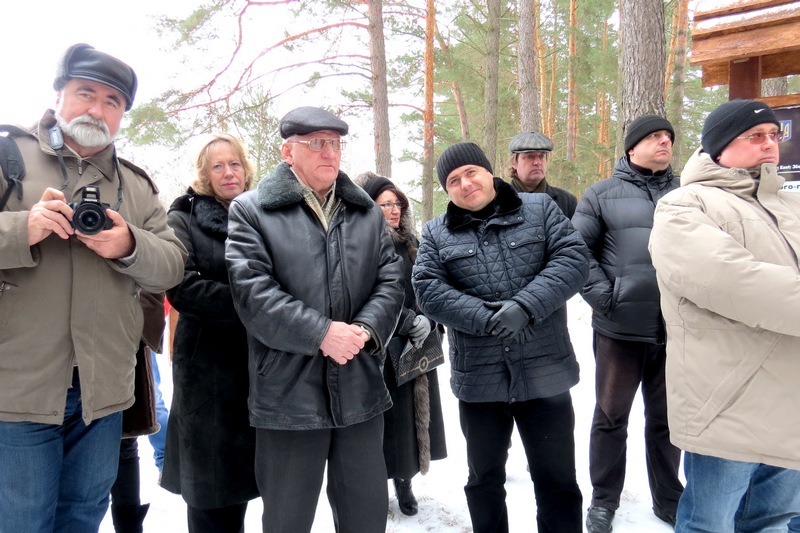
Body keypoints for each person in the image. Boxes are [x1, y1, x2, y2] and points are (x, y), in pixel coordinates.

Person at [0, 43, 186, 532]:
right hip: (18, 386)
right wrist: (24, 229)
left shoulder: (137, 186)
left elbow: (171, 267)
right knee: (22, 521)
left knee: (84, 515)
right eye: (86, 93)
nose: (97, 109)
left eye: (112, 102)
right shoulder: (7, 158)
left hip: (102, 390)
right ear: (59, 94)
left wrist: (128, 243)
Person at [225, 106, 405, 533]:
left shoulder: (366, 213)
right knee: (287, 520)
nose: (330, 153)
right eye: (316, 143)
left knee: (365, 517)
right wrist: (321, 333)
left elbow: (392, 281)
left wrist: (363, 330)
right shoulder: (252, 211)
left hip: (359, 385)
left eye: (336, 143)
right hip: (288, 395)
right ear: (288, 151)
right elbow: (253, 292)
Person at [413, 141, 589, 533]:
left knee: (558, 482)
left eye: (471, 172)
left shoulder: (541, 210)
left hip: (546, 376)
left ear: (489, 172)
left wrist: (526, 306)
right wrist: (485, 318)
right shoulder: (436, 233)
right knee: (484, 482)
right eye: (453, 180)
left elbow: (573, 260)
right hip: (480, 383)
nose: (465, 183)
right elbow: (426, 288)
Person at [649, 99, 800, 532]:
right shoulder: (684, 205)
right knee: (709, 524)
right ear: (718, 148)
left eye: (774, 135)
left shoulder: (789, 207)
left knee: (772, 520)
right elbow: (734, 282)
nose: (769, 144)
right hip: (729, 400)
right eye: (755, 136)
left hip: (790, 401)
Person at [571, 114, 683, 532]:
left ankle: (670, 498)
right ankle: (603, 500)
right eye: (654, 137)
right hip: (620, 331)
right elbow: (576, 252)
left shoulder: (687, 192)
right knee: (611, 416)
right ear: (631, 147)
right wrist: (607, 299)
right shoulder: (601, 195)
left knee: (668, 420)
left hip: (676, 331)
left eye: (668, 137)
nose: (664, 143)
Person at [160, 133, 260, 532]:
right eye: (217, 166)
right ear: (204, 173)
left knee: (239, 481)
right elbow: (180, 285)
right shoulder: (182, 217)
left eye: (234, 163)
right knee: (206, 484)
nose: (228, 172)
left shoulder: (261, 212)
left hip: (256, 362)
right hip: (207, 365)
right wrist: (257, 305)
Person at [358, 171, 448, 516]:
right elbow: (369, 295)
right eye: (384, 205)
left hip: (417, 343)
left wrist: (429, 320)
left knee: (412, 417)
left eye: (397, 203)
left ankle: (405, 482)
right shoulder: (363, 245)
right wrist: (406, 321)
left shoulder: (413, 243)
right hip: (380, 344)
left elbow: (429, 286)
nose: (393, 210)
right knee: (384, 421)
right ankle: (376, 485)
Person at [110, 291, 167, 533]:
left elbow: (156, 283)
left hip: (122, 338)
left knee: (127, 432)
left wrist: (138, 328)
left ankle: (130, 525)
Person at [507, 131, 578, 217]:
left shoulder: (566, 201)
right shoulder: (499, 201)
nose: (537, 162)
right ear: (514, 162)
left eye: (541, 156)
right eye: (530, 156)